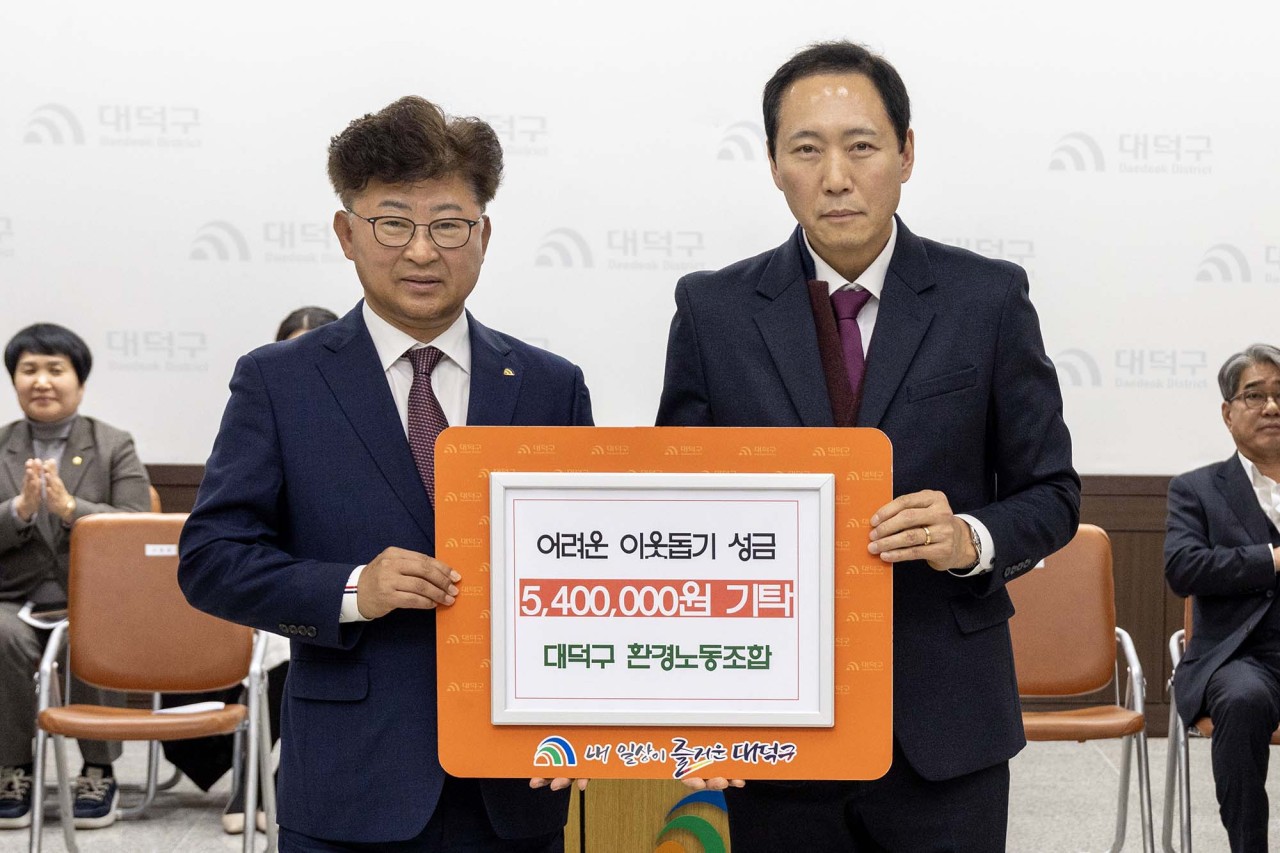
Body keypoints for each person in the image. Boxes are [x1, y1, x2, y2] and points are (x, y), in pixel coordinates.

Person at [656, 41, 1080, 851]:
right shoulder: (713, 311)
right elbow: (680, 510)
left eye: (861, 145)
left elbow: (1053, 493)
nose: (836, 177)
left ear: (906, 153)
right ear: (773, 164)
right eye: (805, 150)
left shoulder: (987, 298)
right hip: (773, 719)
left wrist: (970, 537)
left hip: (943, 718)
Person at [178, 96, 592, 851]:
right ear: (347, 233)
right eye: (393, 223)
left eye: (449, 225)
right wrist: (352, 590)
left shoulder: (549, 386)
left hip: (518, 782)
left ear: (484, 235)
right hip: (350, 781)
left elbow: (586, 574)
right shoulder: (280, 381)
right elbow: (212, 561)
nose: (423, 252)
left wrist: (589, 719)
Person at [163, 306, 341, 835]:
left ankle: (276, 775)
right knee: (261, 641)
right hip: (265, 591)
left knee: (291, 644)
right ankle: (250, 774)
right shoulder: (263, 413)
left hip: (331, 595)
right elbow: (225, 544)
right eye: (294, 345)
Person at [0, 323, 151, 830]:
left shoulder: (113, 444)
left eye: (55, 369)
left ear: (79, 382)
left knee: (94, 629)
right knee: (0, 634)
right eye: (29, 370)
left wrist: (71, 509)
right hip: (12, 599)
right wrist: (19, 511)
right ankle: (13, 769)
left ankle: (99, 770)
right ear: (15, 380)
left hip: (93, 596)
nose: (41, 381)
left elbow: (137, 528)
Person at [1166, 344, 1280, 853]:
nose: (1272, 407)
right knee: (1242, 699)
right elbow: (1183, 567)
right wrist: (1272, 559)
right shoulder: (1197, 490)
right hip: (1239, 658)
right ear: (1227, 412)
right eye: (1255, 395)